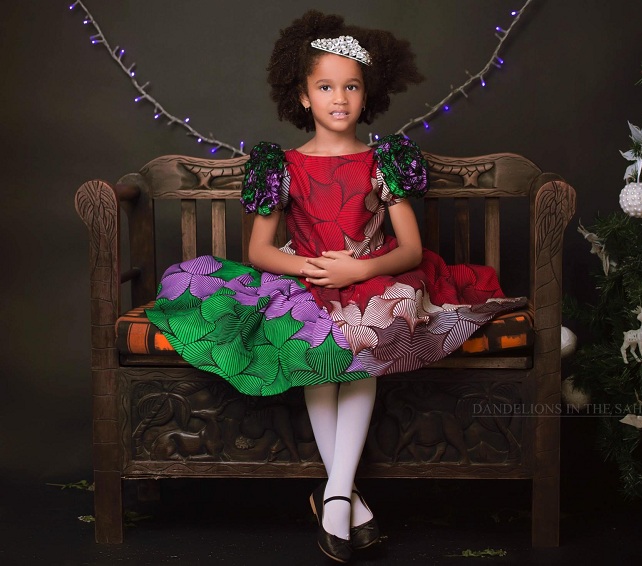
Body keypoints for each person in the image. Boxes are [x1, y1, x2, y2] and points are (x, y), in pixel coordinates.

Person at [146, 9, 525, 564]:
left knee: (365, 341)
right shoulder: (282, 165)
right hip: (306, 283)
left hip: (371, 279)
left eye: (351, 86)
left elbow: (410, 249)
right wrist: (312, 269)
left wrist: (358, 271)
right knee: (315, 347)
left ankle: (336, 495)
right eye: (325, 86)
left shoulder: (383, 161)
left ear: (366, 94)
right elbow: (259, 252)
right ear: (303, 96)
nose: (339, 98)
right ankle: (346, 500)